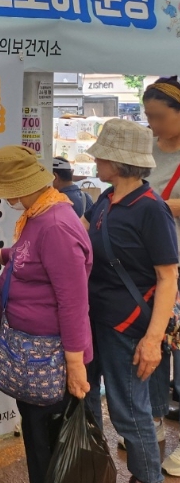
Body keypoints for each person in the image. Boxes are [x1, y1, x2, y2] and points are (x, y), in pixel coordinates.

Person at [0, 145, 92, 483]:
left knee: (48, 446)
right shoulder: (39, 213)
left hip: (50, 356)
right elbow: (26, 256)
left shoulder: (56, 224)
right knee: (37, 437)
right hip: (32, 352)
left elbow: (72, 301)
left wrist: (74, 367)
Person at [82, 119, 179, 483]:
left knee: (129, 413)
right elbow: (77, 234)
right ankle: (95, 471)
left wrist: (152, 340)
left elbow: (167, 277)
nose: (95, 160)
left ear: (118, 162)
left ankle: (147, 477)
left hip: (127, 327)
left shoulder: (151, 208)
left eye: (101, 155)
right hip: (94, 319)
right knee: (86, 400)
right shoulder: (105, 199)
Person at [142, 76, 180, 475]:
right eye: (148, 116)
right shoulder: (148, 149)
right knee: (156, 341)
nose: (152, 124)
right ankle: (153, 419)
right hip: (150, 266)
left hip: (177, 266)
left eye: (158, 117)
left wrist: (150, 206)